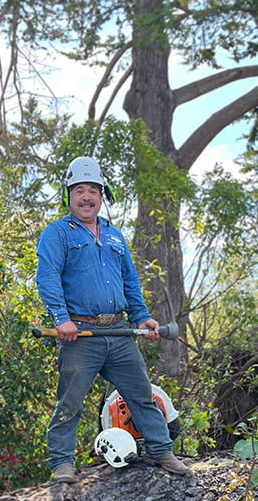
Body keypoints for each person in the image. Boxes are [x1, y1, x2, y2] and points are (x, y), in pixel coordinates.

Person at [36, 156, 191, 483]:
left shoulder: (115, 236)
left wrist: (144, 318)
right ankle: (63, 463)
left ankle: (161, 450)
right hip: (80, 333)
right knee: (70, 401)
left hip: (120, 332)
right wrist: (61, 319)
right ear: (69, 195)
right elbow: (48, 277)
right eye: (79, 190)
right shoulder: (57, 233)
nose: (86, 196)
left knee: (140, 394)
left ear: (103, 195)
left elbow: (130, 282)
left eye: (93, 189)